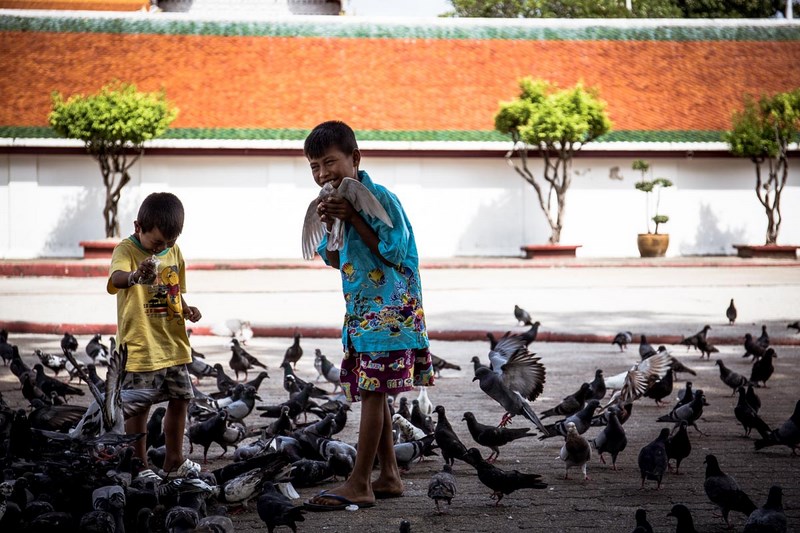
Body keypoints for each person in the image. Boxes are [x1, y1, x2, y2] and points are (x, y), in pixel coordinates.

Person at [303, 121, 434, 511]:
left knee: (374, 395)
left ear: (355, 158)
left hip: (390, 317)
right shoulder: (335, 203)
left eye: (330, 162)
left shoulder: (380, 198)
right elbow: (332, 257)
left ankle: (360, 482)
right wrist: (332, 222)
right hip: (363, 318)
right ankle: (389, 475)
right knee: (373, 392)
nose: (322, 174)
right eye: (314, 166)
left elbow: (394, 252)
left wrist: (355, 216)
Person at [107, 192, 202, 480]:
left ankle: (174, 459)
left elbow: (175, 290)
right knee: (139, 408)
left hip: (173, 344)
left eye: (169, 242)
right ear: (138, 227)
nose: (162, 248)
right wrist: (135, 276)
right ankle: (139, 464)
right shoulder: (126, 250)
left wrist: (186, 309)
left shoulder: (174, 251)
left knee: (181, 399)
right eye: (157, 242)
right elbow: (115, 279)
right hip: (140, 346)